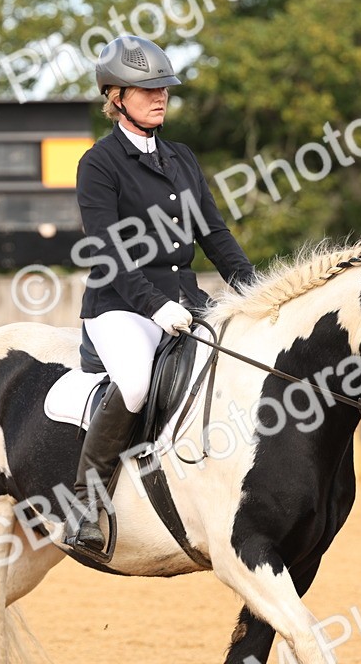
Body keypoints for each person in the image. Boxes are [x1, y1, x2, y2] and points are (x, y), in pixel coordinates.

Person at [66, 35, 256, 555]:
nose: (159, 97)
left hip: (186, 302)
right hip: (121, 307)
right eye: (145, 89)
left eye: (164, 88)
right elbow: (107, 250)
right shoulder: (99, 164)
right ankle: (85, 500)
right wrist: (153, 304)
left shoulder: (182, 158)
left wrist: (258, 292)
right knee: (133, 385)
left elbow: (214, 235)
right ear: (116, 96)